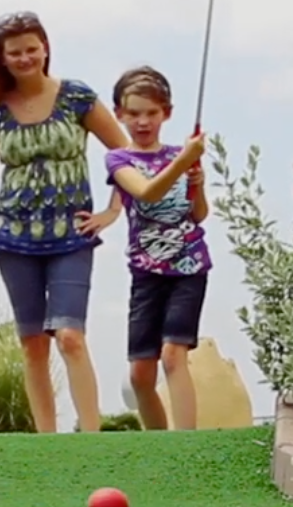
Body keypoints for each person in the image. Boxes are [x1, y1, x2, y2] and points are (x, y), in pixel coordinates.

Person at [0, 11, 129, 433]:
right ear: (1, 58)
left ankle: (92, 436)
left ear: (45, 49)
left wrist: (112, 212)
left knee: (69, 335)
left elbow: (123, 155)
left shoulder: (77, 97)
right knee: (33, 343)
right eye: (14, 52)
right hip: (15, 236)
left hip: (72, 234)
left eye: (31, 49)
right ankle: (46, 440)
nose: (24, 58)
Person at [87, 66, 210, 431]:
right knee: (141, 374)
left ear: (166, 113)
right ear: (119, 114)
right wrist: (183, 162)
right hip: (146, 273)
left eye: (151, 113)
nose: (143, 122)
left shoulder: (182, 153)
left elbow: (199, 215)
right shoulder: (120, 159)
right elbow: (145, 192)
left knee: (174, 356)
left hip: (189, 268)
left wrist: (197, 183)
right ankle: (159, 444)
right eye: (134, 113)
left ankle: (184, 445)